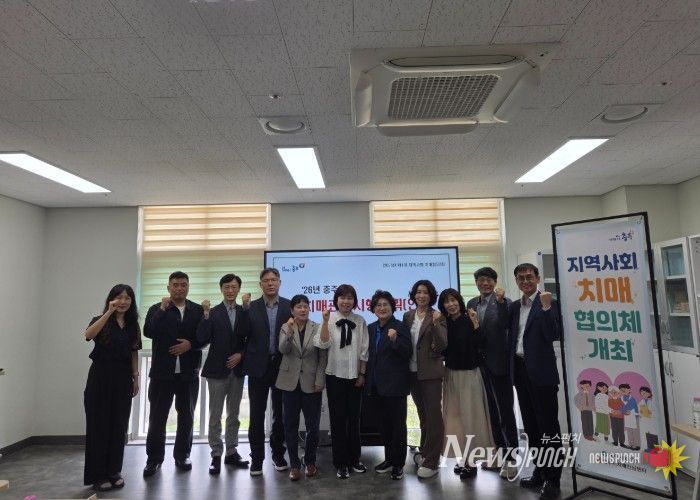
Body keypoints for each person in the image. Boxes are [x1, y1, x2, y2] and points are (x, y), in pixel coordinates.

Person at [508, 263, 562, 500]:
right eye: (520, 278)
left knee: (548, 427)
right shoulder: (514, 307)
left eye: (529, 277)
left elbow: (553, 334)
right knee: (531, 427)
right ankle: (540, 471)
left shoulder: (548, 303)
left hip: (542, 373)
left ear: (538, 278)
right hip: (520, 371)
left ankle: (553, 479)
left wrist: (547, 307)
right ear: (516, 281)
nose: (525, 281)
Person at [143, 271, 204, 477]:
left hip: (188, 373)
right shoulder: (157, 308)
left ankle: (182, 455)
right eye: (175, 285)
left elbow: (205, 336)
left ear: (188, 287)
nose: (179, 288)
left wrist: (191, 344)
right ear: (168, 287)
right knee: (157, 417)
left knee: (186, 416)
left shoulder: (197, 310)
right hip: (162, 373)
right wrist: (162, 310)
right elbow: (149, 331)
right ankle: (154, 459)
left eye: (183, 284)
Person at [83, 284, 141, 491]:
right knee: (99, 427)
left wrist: (136, 378)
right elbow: (88, 334)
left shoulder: (133, 325)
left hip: (123, 378)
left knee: (118, 427)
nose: (123, 302)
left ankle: (114, 471)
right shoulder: (100, 319)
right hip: (100, 378)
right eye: (119, 297)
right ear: (111, 299)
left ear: (132, 302)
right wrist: (108, 312)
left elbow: (134, 352)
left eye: (127, 298)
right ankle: (98, 475)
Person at [196, 274, 250, 475]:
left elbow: (251, 338)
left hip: (237, 369)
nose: (230, 290)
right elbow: (201, 338)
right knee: (215, 414)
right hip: (216, 370)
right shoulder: (212, 312)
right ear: (221, 289)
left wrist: (241, 355)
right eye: (226, 287)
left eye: (233, 287)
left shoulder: (245, 311)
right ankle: (216, 454)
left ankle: (232, 452)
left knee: (234, 414)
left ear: (238, 289)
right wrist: (205, 315)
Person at [466, 267, 518, 479]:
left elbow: (506, 325)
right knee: (491, 412)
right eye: (481, 280)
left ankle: (511, 459)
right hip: (480, 365)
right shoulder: (471, 303)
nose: (485, 283)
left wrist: (500, 301)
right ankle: (498, 454)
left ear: (495, 282)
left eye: (489, 280)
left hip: (500, 365)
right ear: (476, 283)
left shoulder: (505, 302)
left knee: (505, 412)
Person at [240, 267, 291, 476]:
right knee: (256, 414)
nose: (270, 283)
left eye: (274, 280)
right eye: (266, 280)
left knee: (280, 414)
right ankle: (257, 458)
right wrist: (244, 311)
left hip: (282, 366)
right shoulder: (251, 307)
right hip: (257, 367)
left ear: (279, 283)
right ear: (260, 284)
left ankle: (278, 454)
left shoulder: (289, 306)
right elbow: (241, 333)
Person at [315, 284, 370, 479]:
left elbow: (364, 350)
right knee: (338, 421)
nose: (346, 301)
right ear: (336, 300)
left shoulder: (360, 321)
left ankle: (355, 459)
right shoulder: (329, 320)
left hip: (355, 377)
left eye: (349, 298)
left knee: (354, 420)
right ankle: (340, 463)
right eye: (342, 298)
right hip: (335, 376)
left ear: (354, 301)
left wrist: (362, 374)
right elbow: (322, 344)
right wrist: (324, 322)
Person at [439, 287, 494, 480]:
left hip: (470, 374)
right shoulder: (444, 323)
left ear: (459, 302)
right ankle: (462, 458)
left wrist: (476, 323)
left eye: (453, 300)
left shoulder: (469, 318)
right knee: (456, 419)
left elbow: (481, 343)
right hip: (451, 374)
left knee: (471, 417)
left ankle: (472, 462)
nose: (451, 304)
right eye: (446, 301)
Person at [275, 294, 328, 481]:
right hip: (289, 382)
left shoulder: (317, 327)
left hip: (311, 382)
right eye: (299, 307)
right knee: (290, 425)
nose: (303, 309)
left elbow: (322, 357)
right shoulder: (285, 326)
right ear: (292, 310)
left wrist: (320, 380)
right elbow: (283, 349)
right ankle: (295, 464)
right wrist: (290, 331)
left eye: (305, 306)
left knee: (313, 425)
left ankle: (310, 461)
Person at [402, 280, 447, 479]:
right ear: (414, 295)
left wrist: (436, 324)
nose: (421, 296)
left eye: (426, 293)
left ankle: (432, 461)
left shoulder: (437, 315)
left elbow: (443, 344)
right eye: (418, 292)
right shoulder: (408, 315)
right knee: (423, 416)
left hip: (430, 373)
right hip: (412, 372)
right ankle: (425, 452)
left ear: (431, 296)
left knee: (434, 417)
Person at [366, 290, 412, 480]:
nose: (382, 308)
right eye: (378, 305)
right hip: (376, 386)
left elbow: (407, 352)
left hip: (395, 386)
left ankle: (398, 464)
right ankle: (389, 459)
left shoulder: (400, 327)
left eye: (385, 304)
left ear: (392, 307)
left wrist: (395, 341)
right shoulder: (370, 328)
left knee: (397, 427)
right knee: (384, 426)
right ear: (373, 309)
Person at [620, 383, 640, 450]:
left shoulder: (632, 398)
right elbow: (620, 407)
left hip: (634, 416)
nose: (623, 391)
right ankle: (631, 444)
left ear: (629, 390)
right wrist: (624, 411)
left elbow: (629, 406)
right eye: (622, 390)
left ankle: (637, 445)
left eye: (625, 389)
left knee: (635, 431)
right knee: (629, 431)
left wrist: (624, 410)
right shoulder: (621, 398)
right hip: (627, 417)